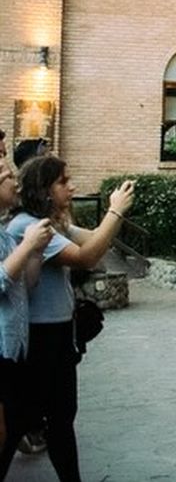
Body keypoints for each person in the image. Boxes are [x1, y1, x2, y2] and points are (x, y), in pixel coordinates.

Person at [0, 156, 135, 480]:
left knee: (58, 418)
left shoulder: (46, 223)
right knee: (24, 421)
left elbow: (92, 241)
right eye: (64, 182)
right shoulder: (24, 226)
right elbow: (86, 257)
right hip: (36, 338)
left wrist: (108, 218)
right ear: (44, 190)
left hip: (57, 333)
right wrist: (115, 210)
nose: (72, 186)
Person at [0, 163, 53, 456]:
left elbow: (26, 285)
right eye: (8, 177)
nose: (15, 184)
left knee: (15, 425)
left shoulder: (5, 234)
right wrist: (28, 245)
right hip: (1, 350)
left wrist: (36, 251)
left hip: (14, 347)